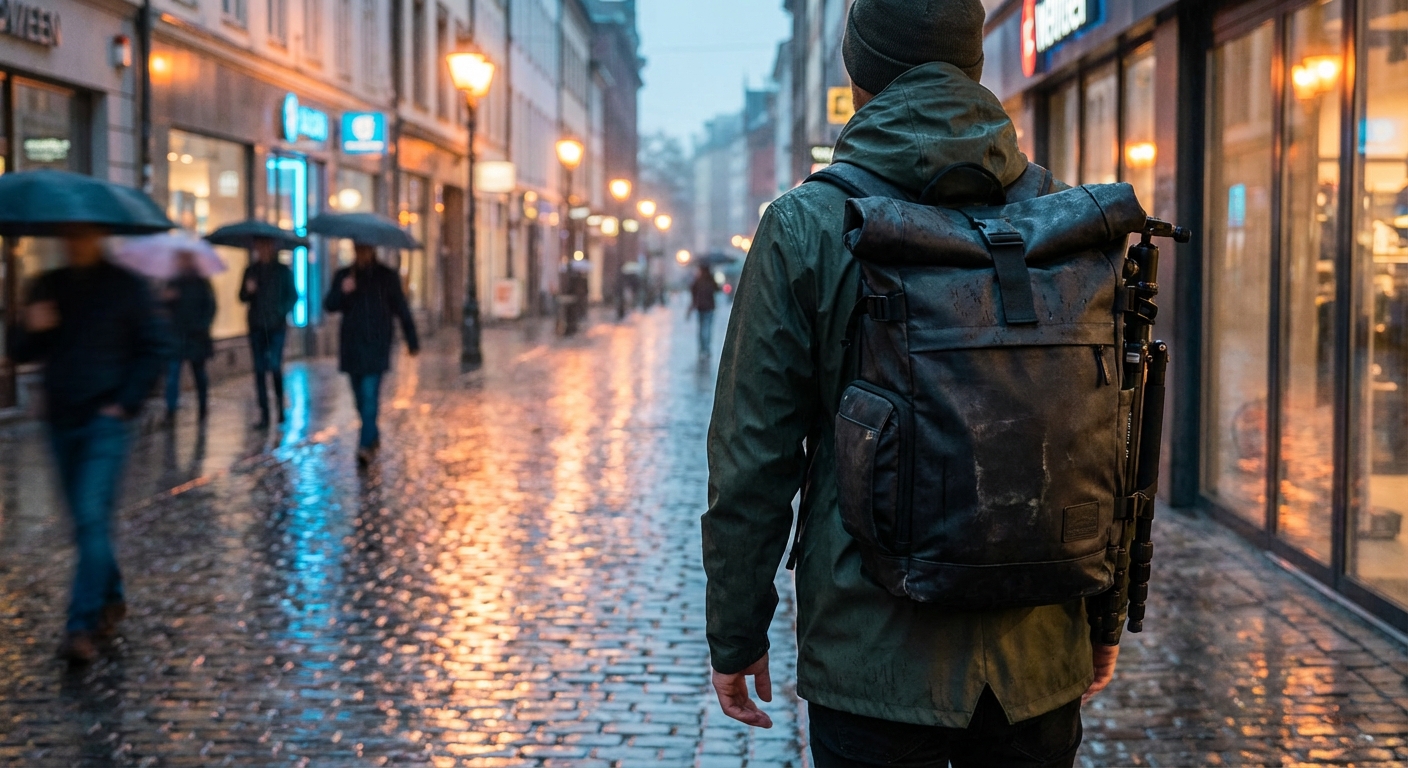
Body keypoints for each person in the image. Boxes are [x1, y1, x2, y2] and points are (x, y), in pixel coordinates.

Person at [702, 1, 1115, 765]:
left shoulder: (807, 225)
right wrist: (1103, 619)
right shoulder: (1063, 219)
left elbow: (752, 459)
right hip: (1035, 655)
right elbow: (1109, 430)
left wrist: (736, 630)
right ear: (974, 66)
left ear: (858, 79)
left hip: (873, 657)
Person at [7, 226, 170, 664]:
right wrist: (32, 326)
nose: (74, 241)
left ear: (99, 236)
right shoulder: (49, 284)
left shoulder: (126, 286)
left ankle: (80, 626)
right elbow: (19, 350)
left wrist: (124, 405)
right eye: (68, 235)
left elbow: (155, 348)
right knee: (85, 521)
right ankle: (110, 592)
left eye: (83, 234)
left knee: (92, 517)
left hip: (105, 421)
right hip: (61, 419)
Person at [324, 244, 419, 466]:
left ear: (373, 251)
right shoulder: (344, 275)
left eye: (365, 250)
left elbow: (401, 308)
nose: (362, 254)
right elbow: (329, 304)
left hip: (377, 345)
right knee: (359, 399)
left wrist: (411, 338)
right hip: (352, 347)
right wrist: (342, 290)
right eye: (359, 250)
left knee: (369, 396)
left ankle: (365, 445)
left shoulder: (386, 276)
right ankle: (372, 434)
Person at [237, 238, 297, 429]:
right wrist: (248, 290)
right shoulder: (251, 271)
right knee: (260, 370)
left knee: (275, 366)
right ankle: (264, 413)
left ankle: (280, 408)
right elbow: (242, 296)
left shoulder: (282, 271)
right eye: (259, 247)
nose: (262, 250)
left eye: (266, 246)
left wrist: (280, 311)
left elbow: (293, 296)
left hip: (276, 326)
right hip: (256, 326)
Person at [163, 250, 217, 422]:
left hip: (196, 337)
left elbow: (210, 306)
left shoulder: (201, 282)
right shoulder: (173, 282)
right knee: (173, 375)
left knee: (199, 374)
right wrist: (167, 299)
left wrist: (202, 326)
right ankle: (170, 410)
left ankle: (203, 408)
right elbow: (164, 307)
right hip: (177, 335)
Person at [688, 263, 718, 359]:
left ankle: (702, 349)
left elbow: (692, 289)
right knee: (707, 328)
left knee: (701, 328)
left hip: (701, 307)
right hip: (709, 307)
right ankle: (706, 349)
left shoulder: (698, 280)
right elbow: (717, 289)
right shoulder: (710, 280)